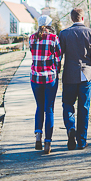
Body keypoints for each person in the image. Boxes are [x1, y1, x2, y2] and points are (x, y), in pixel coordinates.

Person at [58, 8, 91, 150]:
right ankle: (82, 141)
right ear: (83, 18)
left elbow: (59, 56)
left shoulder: (64, 34)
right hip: (86, 75)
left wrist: (57, 71)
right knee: (83, 107)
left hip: (69, 75)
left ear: (72, 19)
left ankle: (71, 128)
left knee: (67, 104)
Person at [29, 15, 61, 154]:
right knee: (49, 109)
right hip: (49, 78)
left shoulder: (32, 38)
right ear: (49, 25)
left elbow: (32, 53)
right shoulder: (53, 38)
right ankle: (47, 142)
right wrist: (57, 71)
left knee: (39, 106)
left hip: (35, 78)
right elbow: (58, 58)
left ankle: (38, 135)